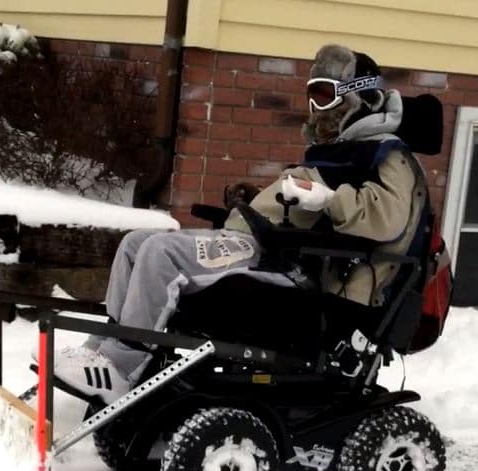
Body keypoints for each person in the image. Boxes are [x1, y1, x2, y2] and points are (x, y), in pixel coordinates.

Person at [53, 43, 429, 403]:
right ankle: (101, 350)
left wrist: (330, 200)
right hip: (261, 240)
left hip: (290, 264)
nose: (315, 108)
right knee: (136, 243)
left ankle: (120, 367)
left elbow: (389, 220)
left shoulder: (388, 154)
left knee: (160, 251)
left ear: (360, 97)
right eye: (311, 94)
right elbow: (300, 205)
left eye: (325, 94)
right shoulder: (339, 151)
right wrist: (253, 203)